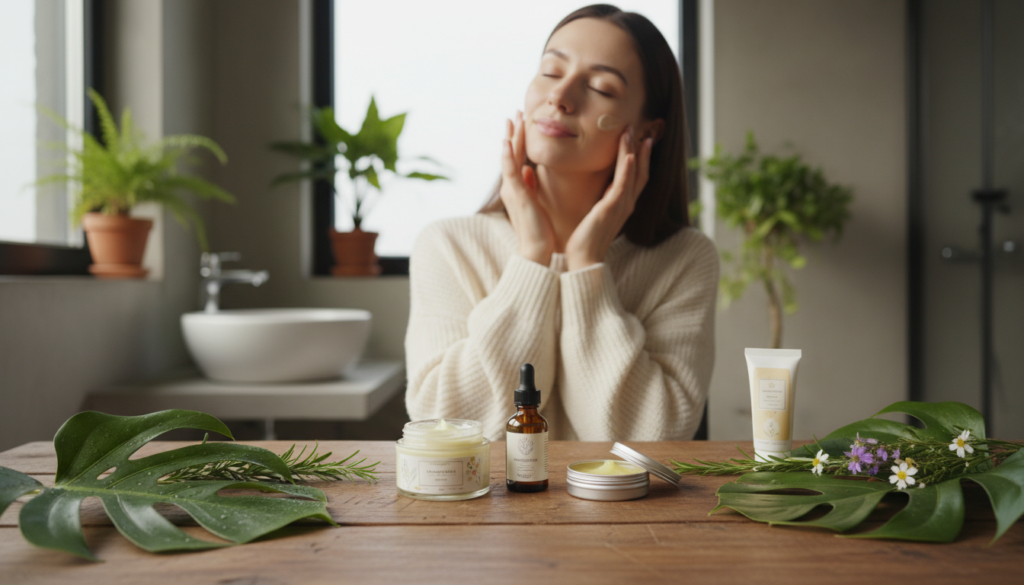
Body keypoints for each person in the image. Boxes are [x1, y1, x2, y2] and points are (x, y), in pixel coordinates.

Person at [404, 4, 718, 441]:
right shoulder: (447, 246)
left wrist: (586, 265)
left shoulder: (684, 258)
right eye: (551, 72)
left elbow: (648, 439)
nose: (561, 96)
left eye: (602, 88)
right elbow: (449, 429)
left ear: (648, 132)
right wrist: (532, 258)